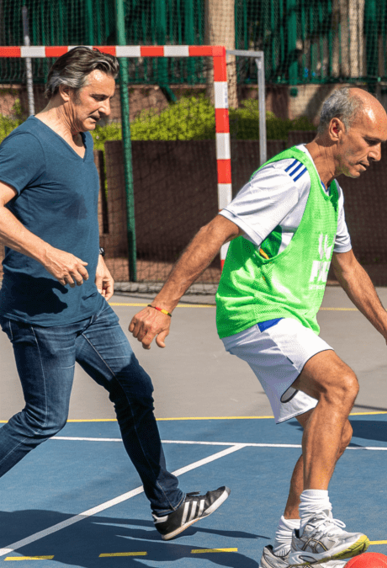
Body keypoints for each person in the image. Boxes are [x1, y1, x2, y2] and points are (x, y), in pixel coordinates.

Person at [128, 87, 387, 568]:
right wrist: (162, 305)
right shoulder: (288, 176)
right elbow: (216, 231)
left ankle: (283, 549)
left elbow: (348, 269)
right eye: (370, 141)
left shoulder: (332, 193)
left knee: (335, 432)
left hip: (288, 321)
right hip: (255, 312)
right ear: (336, 129)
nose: (376, 154)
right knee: (342, 384)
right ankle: (317, 523)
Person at [0, 47, 227, 540]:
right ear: (65, 90)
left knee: (134, 390)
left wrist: (96, 253)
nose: (107, 107)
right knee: (44, 419)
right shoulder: (29, 144)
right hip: (41, 313)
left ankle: (167, 508)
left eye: (110, 97)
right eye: (97, 97)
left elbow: (68, 210)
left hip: (87, 307)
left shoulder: (81, 139)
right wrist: (47, 254)